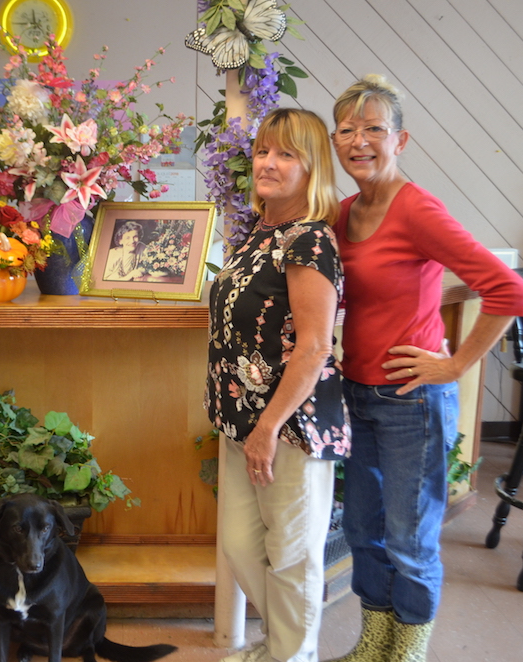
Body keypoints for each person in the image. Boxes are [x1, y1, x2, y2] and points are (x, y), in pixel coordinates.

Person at [324, 75, 523, 662]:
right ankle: (376, 645)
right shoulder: (344, 213)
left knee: (410, 541)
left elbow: (509, 291)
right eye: (347, 130)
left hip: (409, 401)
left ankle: (407, 652)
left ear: (400, 139)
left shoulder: (416, 209)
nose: (359, 140)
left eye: (373, 129)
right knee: (363, 533)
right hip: (358, 395)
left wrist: (457, 363)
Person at [207, 108, 351, 662]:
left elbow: (315, 346)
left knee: (292, 556)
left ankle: (289, 655)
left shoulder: (309, 240)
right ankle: (289, 648)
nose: (269, 162)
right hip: (243, 420)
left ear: (312, 169)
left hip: (290, 425)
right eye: (264, 150)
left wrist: (268, 426)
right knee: (244, 546)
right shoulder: (258, 232)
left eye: (287, 154)